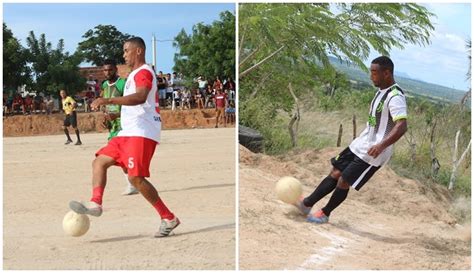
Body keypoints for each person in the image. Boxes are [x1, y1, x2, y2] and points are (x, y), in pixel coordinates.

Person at [69, 37, 180, 237]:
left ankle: (168, 218)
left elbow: (140, 97)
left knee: (135, 178)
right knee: (99, 162)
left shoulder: (144, 72)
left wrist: (108, 100)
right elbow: (136, 107)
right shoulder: (133, 75)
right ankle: (96, 203)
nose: (124, 54)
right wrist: (113, 115)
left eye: (126, 50)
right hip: (127, 131)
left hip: (142, 132)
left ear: (138, 51)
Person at [295, 56, 408, 224]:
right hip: (362, 143)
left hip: (375, 151)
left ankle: (325, 213)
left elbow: (402, 126)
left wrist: (381, 145)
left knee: (344, 180)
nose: (371, 76)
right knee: (335, 172)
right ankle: (307, 204)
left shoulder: (395, 96)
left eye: (375, 73)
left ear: (387, 73)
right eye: (371, 72)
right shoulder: (380, 92)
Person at [100, 59, 139, 196]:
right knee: (121, 156)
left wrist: (116, 115)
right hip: (113, 126)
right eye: (105, 70)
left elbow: (130, 104)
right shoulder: (104, 85)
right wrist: (105, 117)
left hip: (124, 125)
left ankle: (133, 183)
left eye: (110, 69)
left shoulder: (123, 83)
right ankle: (133, 183)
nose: (107, 72)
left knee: (121, 155)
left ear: (115, 69)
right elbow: (106, 103)